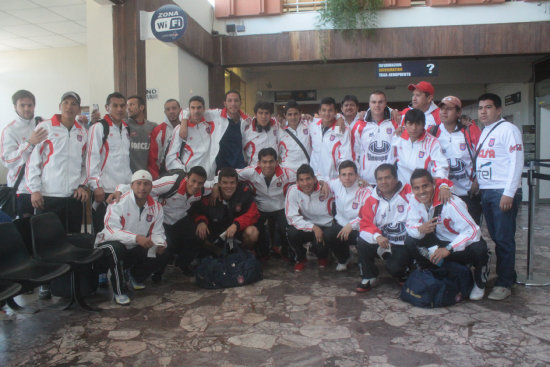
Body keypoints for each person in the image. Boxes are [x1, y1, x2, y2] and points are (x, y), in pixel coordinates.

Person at [110, 166, 212, 277]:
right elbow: (143, 187)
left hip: (180, 219)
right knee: (164, 247)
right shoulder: (171, 183)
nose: (196, 186)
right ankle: (154, 271)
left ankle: (182, 264)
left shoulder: (203, 189)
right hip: (162, 219)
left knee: (199, 236)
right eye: (193, 181)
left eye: (200, 183)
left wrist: (216, 188)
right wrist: (119, 190)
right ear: (187, 177)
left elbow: (217, 184)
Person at [405, 169, 490, 301]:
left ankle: (479, 282)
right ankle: (430, 270)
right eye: (417, 188)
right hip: (439, 243)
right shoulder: (414, 200)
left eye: (425, 186)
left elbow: (473, 231)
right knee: (411, 240)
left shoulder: (451, 202)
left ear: (433, 184)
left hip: (458, 246)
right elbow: (410, 225)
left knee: (479, 248)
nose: (421, 191)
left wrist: (449, 248)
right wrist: (420, 229)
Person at [475, 93, 523, 301]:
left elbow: (516, 161)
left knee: (503, 239)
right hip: (487, 190)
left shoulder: (508, 130)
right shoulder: (485, 131)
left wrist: (509, 193)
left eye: (488, 107)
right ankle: (507, 276)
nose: (483, 111)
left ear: (499, 110)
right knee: (497, 237)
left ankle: (504, 283)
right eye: (480, 108)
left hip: (501, 192)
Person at [94, 170, 167, 306]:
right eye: (138, 183)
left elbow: (157, 231)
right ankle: (119, 291)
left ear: (151, 187)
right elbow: (111, 230)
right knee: (116, 249)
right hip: (107, 246)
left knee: (162, 251)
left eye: (146, 184)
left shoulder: (156, 207)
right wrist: (136, 238)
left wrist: (160, 243)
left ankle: (134, 276)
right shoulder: (119, 202)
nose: (142, 188)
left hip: (133, 246)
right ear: (132, 185)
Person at [26, 92, 88, 233]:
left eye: (74, 104)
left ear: (79, 109)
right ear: (60, 106)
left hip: (73, 197)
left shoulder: (82, 132)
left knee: (73, 240)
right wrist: (34, 190)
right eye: (66, 103)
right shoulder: (45, 127)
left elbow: (85, 163)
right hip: (48, 196)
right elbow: (33, 161)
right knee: (47, 241)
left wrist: (82, 185)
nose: (69, 107)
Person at [355, 164, 412, 292]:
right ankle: (369, 276)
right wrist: (377, 235)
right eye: (380, 179)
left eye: (387, 178)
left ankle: (404, 271)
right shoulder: (372, 198)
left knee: (394, 268)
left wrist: (444, 186)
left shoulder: (409, 192)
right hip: (383, 241)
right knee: (362, 241)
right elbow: (365, 223)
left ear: (396, 179)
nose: (383, 182)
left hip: (402, 242)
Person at [236, 148, 295, 258]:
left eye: (271, 161)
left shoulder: (287, 173)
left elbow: (306, 178)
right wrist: (215, 185)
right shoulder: (251, 172)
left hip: (280, 207)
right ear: (258, 163)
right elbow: (228, 174)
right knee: (253, 233)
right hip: (260, 208)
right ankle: (255, 252)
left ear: (277, 162)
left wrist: (320, 182)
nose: (268, 165)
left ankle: (286, 250)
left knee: (288, 230)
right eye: (264, 162)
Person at [431, 96, 482, 223]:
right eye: (442, 108)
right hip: (442, 194)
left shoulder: (470, 130)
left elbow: (482, 156)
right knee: (445, 232)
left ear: (458, 112)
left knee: (471, 231)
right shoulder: (432, 132)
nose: (444, 111)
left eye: (449, 109)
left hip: (468, 193)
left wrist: (477, 179)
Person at [86, 92, 132, 233]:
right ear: (107, 107)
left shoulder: (126, 128)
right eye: (115, 106)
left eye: (122, 106)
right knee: (104, 232)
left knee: (123, 230)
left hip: (124, 190)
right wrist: (95, 186)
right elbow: (91, 157)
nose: (119, 109)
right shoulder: (99, 127)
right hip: (105, 190)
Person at [0, 89, 47, 218]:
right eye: (22, 105)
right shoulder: (9, 130)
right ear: (15, 106)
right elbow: (7, 161)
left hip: (44, 188)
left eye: (30, 105)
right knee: (24, 231)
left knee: (45, 230)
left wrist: (83, 122)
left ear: (34, 106)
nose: (26, 109)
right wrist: (29, 144)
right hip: (22, 189)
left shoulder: (43, 124)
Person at [193, 167, 260, 253]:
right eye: (225, 183)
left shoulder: (244, 192)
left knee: (252, 233)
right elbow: (197, 211)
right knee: (199, 232)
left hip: (235, 232)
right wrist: (201, 221)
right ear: (219, 183)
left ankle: (242, 254)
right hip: (216, 232)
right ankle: (215, 252)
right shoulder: (211, 195)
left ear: (237, 183)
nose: (228, 186)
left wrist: (236, 225)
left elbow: (253, 214)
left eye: (232, 183)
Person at [323, 160, 371, 272]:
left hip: (361, 227)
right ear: (339, 176)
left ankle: (363, 262)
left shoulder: (366, 190)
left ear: (357, 175)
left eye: (351, 174)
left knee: (364, 241)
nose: (347, 178)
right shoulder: (336, 184)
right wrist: (323, 183)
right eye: (343, 174)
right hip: (341, 225)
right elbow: (324, 181)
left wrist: (352, 225)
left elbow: (367, 215)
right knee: (329, 235)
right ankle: (344, 259)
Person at [285, 164, 333, 272]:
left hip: (325, 225)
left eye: (308, 179)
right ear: (297, 181)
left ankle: (323, 256)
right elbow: (291, 217)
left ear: (315, 179)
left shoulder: (327, 188)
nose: (305, 183)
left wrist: (361, 182)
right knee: (292, 233)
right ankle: (301, 258)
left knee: (322, 244)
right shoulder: (293, 190)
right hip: (307, 225)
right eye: (301, 180)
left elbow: (342, 181)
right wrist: (313, 227)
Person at [351, 90, 398, 186]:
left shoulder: (396, 123)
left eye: (380, 102)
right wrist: (357, 177)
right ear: (369, 104)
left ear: (385, 104)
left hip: (390, 181)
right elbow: (353, 154)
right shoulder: (359, 125)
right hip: (366, 181)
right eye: (374, 102)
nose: (377, 105)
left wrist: (392, 110)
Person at [391, 108, 449, 185]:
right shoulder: (398, 137)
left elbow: (441, 167)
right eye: (410, 124)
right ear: (405, 124)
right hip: (401, 188)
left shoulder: (432, 142)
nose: (414, 128)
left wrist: (442, 185)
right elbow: (390, 160)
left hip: (422, 188)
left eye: (417, 124)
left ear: (424, 125)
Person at [165, 96, 216, 179]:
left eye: (199, 108)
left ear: (204, 109)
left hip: (209, 178)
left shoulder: (210, 125)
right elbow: (171, 158)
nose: (196, 111)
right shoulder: (180, 129)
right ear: (189, 110)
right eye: (193, 108)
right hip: (190, 179)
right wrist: (184, 172)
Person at [309, 97, 352, 179]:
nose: (327, 113)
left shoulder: (342, 129)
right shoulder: (312, 125)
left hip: (332, 178)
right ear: (319, 111)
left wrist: (342, 175)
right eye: (324, 110)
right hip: (313, 176)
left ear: (336, 112)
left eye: (330, 110)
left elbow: (345, 155)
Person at [148, 99, 182, 179]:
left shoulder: (188, 127)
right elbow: (153, 158)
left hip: (185, 172)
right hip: (165, 173)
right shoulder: (158, 131)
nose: (171, 111)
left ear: (180, 110)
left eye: (174, 108)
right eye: (168, 109)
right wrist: (156, 177)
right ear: (165, 112)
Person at [242, 101, 280, 166]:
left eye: (266, 113)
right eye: (260, 113)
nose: (263, 116)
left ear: (270, 115)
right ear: (255, 114)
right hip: (255, 171)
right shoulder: (247, 131)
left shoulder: (277, 126)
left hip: (274, 170)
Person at [278, 100, 311, 171]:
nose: (293, 117)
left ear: (300, 114)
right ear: (285, 115)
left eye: (295, 114)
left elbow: (326, 119)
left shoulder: (308, 125)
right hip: (287, 172)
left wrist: (339, 117)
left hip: (306, 171)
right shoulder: (279, 132)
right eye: (290, 114)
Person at [126, 95, 156, 173]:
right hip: (129, 175)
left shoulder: (153, 126)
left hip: (147, 174)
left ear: (141, 107)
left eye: (132, 105)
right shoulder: (124, 125)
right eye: (127, 105)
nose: (128, 108)